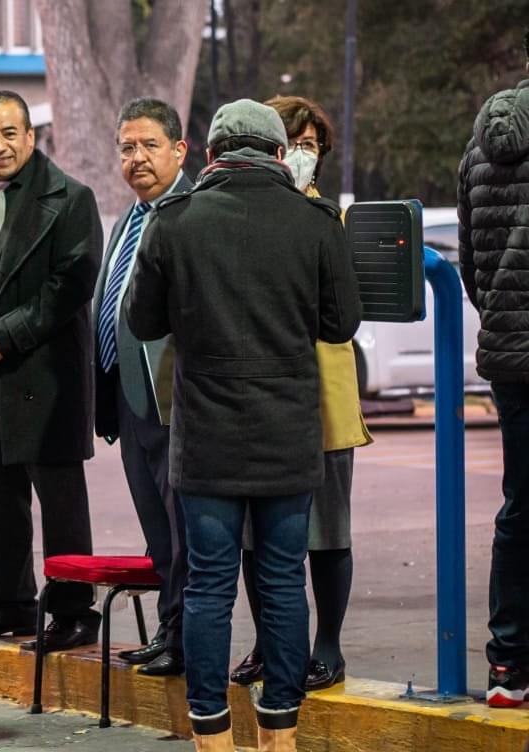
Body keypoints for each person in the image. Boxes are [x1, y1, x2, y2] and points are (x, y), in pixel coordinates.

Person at [124, 99, 361, 752]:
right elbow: (341, 325)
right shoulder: (313, 219)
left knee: (208, 584)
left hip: (205, 441)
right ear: (280, 154)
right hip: (287, 436)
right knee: (284, 580)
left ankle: (212, 734)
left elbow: (143, 322)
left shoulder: (174, 220)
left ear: (209, 156)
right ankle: (280, 729)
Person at [0, 90, 104, 651]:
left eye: (9, 133)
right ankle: (6, 604)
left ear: (31, 137)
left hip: (46, 377)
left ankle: (74, 612)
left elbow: (70, 287)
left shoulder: (70, 198)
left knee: (60, 506)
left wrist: (3, 336)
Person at [230, 95, 373, 693]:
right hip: (257, 399)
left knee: (327, 531)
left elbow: (344, 315)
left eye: (314, 146)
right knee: (254, 537)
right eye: (294, 143)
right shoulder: (240, 215)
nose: (304, 156)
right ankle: (269, 641)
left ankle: (327, 646)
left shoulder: (327, 222)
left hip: (323, 398)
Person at [92, 98, 191, 677]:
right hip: (130, 398)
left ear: (179, 150)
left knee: (183, 532)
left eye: (149, 145)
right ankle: (167, 630)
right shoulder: (131, 218)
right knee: (158, 530)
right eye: (127, 147)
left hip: (173, 400)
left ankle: (182, 639)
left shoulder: (187, 213)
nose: (136, 158)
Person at [457, 30, 529, 709]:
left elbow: (471, 266)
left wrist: (505, 316)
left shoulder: (485, 137)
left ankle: (509, 664)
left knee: (520, 504)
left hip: (511, 354)